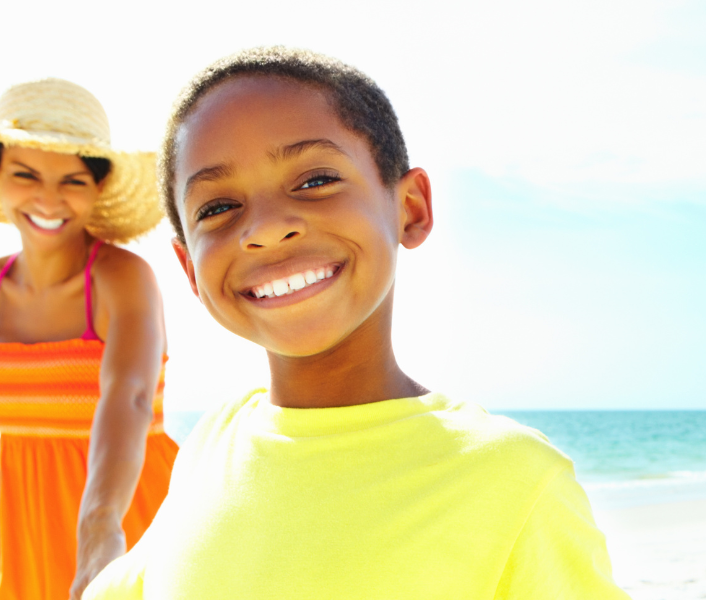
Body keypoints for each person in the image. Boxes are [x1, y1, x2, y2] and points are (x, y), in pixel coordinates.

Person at [79, 47, 628, 599]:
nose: (267, 228)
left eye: (315, 180)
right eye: (217, 208)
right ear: (188, 270)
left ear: (410, 207)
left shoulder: (516, 482)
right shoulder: (213, 444)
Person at [0, 78, 178, 600]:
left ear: (97, 187)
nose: (47, 199)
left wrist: (99, 527)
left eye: (72, 180)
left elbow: (132, 397)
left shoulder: (123, 278)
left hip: (130, 529)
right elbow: (16, 439)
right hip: (31, 540)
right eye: (25, 174)